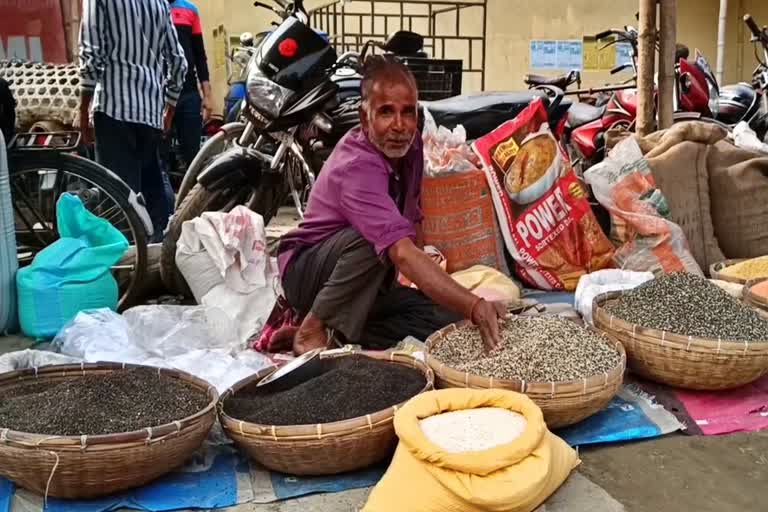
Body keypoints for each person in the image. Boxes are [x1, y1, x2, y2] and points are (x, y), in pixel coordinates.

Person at [277, 56, 507, 356]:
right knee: (375, 238)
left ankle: (339, 330)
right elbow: (400, 250)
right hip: (309, 275)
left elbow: (414, 218)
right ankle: (312, 328)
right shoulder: (356, 166)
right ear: (364, 117)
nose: (399, 125)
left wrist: (452, 298)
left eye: (407, 113)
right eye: (386, 112)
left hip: (366, 282)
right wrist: (475, 305)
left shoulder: (410, 146)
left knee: (448, 321)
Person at [78, 0, 187, 240]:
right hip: (150, 111)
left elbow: (91, 54)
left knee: (118, 198)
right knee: (151, 189)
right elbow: (179, 61)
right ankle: (158, 259)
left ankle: (130, 265)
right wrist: (169, 108)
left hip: (113, 109)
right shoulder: (158, 3)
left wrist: (83, 110)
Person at [168, 0, 213, 168]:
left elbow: (199, 55)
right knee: (158, 158)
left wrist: (207, 96)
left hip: (188, 93)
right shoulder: (148, 7)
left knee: (193, 157)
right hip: (157, 95)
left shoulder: (190, 10)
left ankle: (192, 193)